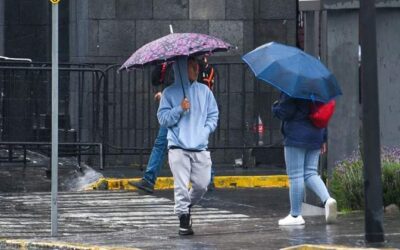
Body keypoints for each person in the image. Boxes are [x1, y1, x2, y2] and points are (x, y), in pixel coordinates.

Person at [129, 57, 217, 193]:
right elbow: (156, 79)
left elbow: (198, 85)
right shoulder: (173, 63)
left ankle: (149, 179)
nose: (195, 68)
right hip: (175, 109)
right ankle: (149, 179)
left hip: (189, 111)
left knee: (196, 145)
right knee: (163, 143)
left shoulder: (195, 63)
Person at [157, 56, 218, 235]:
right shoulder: (169, 93)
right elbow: (163, 119)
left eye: (196, 66)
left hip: (199, 146)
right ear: (182, 69)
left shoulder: (205, 92)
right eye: (191, 67)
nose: (196, 69)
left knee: (202, 185)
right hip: (177, 146)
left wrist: (205, 131)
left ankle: (186, 207)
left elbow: (213, 115)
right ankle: (183, 218)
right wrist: (180, 109)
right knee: (181, 186)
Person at [272, 92, 337, 226]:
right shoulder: (318, 87)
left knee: (295, 175)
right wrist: (324, 138)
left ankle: (295, 215)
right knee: (310, 173)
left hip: (296, 135)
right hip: (316, 134)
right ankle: (328, 200)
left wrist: (275, 107)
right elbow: (323, 113)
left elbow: (285, 112)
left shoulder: (293, 88)